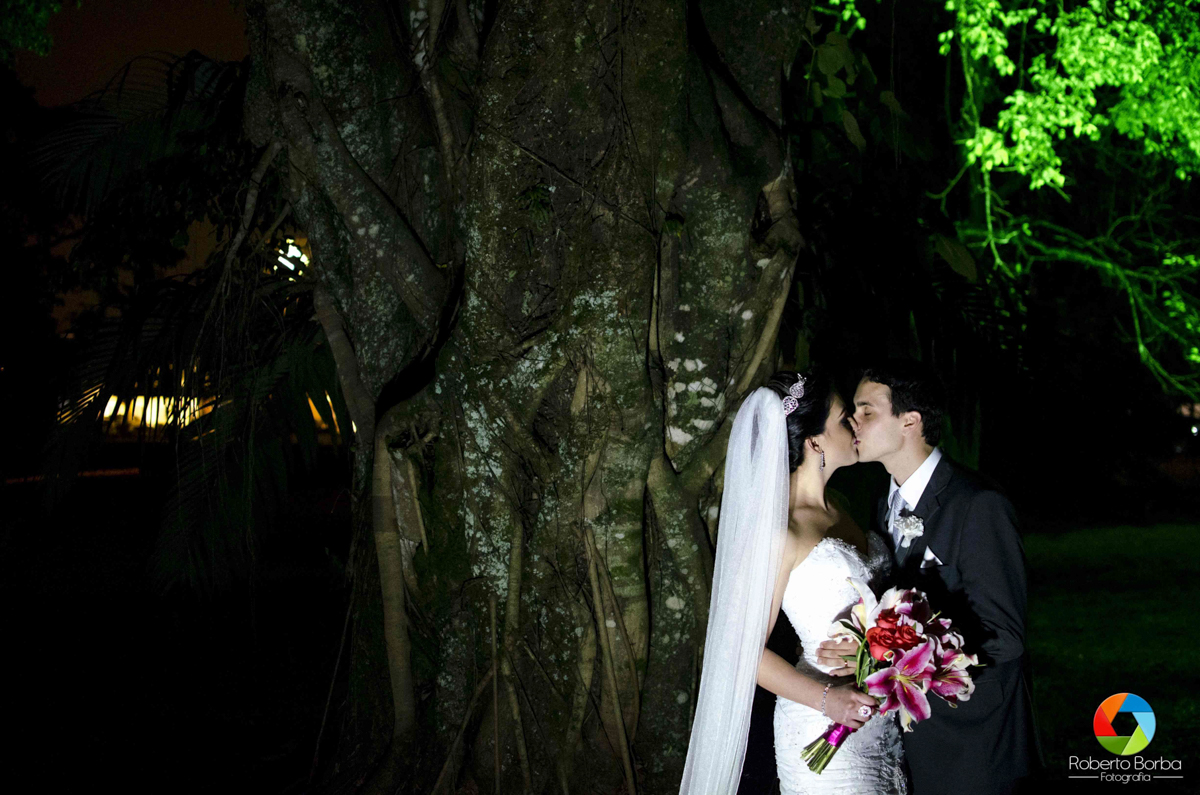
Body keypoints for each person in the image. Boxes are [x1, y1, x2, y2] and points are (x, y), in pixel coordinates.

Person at [679, 368, 905, 795]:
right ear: (814, 441)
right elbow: (738, 649)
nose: (856, 425)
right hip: (822, 722)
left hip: (880, 718)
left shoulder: (842, 505)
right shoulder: (779, 531)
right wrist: (827, 699)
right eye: (844, 418)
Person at [817, 360, 1039, 795]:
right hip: (911, 743)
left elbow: (1004, 637)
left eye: (867, 411)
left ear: (910, 422)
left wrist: (879, 655)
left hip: (976, 743)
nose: (853, 421)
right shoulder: (883, 500)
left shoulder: (978, 504)